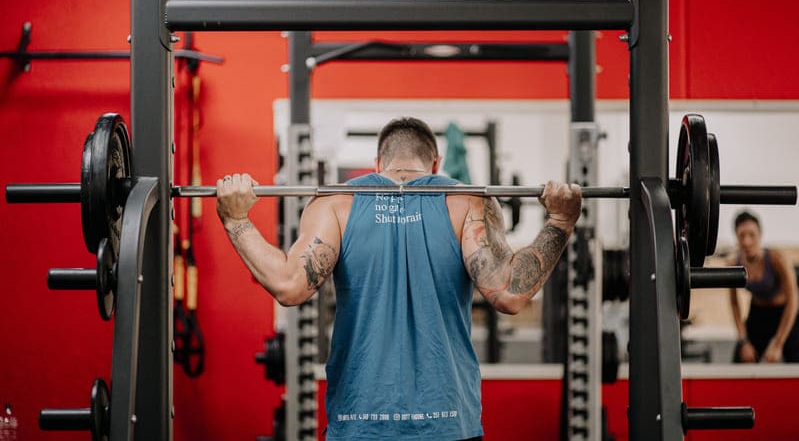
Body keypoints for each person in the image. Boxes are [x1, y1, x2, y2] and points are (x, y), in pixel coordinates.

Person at [216, 117, 582, 440]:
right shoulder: (468, 202)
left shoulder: (336, 204)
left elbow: (289, 285)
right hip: (448, 423)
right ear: (435, 165)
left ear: (379, 164)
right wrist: (561, 222)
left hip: (359, 423)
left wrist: (237, 220)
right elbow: (509, 294)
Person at [728, 210, 799, 363]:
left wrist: (778, 343)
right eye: (742, 235)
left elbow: (793, 301)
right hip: (758, 314)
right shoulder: (734, 263)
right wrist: (743, 340)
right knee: (741, 358)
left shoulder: (776, 259)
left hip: (785, 312)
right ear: (736, 237)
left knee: (795, 359)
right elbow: (734, 304)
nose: (747, 241)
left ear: (760, 235)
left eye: (751, 235)